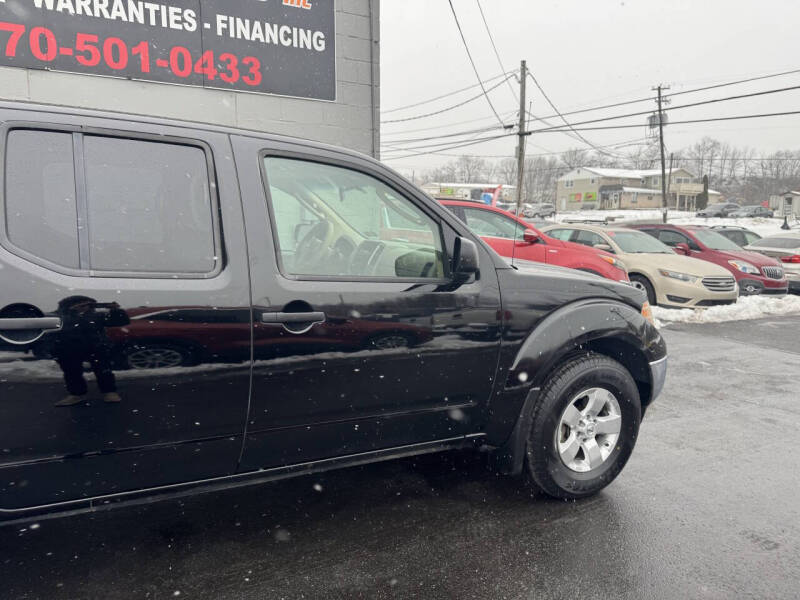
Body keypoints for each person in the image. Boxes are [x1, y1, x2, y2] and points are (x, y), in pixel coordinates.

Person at [50, 296, 130, 407]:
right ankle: (76, 395)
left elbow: (122, 321)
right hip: (67, 348)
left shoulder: (97, 315)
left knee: (104, 371)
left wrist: (116, 310)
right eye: (82, 305)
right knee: (72, 373)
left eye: (89, 305)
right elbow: (48, 331)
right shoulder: (58, 316)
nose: (86, 307)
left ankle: (109, 392)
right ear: (70, 305)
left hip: (96, 347)